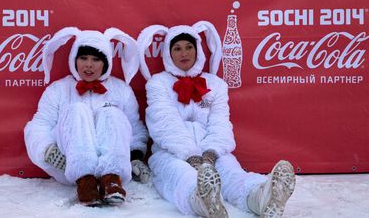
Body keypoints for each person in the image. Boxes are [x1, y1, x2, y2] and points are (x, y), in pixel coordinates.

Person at [137, 21, 296, 218]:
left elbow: (220, 122)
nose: (184, 53)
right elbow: (164, 123)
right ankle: (203, 201)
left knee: (231, 174)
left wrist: (211, 152)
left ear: (198, 51)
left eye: (189, 47)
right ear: (168, 54)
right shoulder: (158, 83)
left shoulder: (215, 85)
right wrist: (190, 155)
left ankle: (262, 197)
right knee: (181, 176)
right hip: (172, 153)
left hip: (212, 150)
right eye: (177, 49)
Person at [24, 27, 150, 207]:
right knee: (77, 110)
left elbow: (134, 127)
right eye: (83, 58)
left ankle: (111, 179)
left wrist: (135, 156)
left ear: (105, 62)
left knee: (111, 113)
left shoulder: (121, 90)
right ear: (74, 60)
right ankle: (85, 182)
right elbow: (39, 125)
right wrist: (48, 151)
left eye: (95, 59)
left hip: (114, 166)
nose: (88, 65)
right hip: (68, 166)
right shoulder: (58, 89)